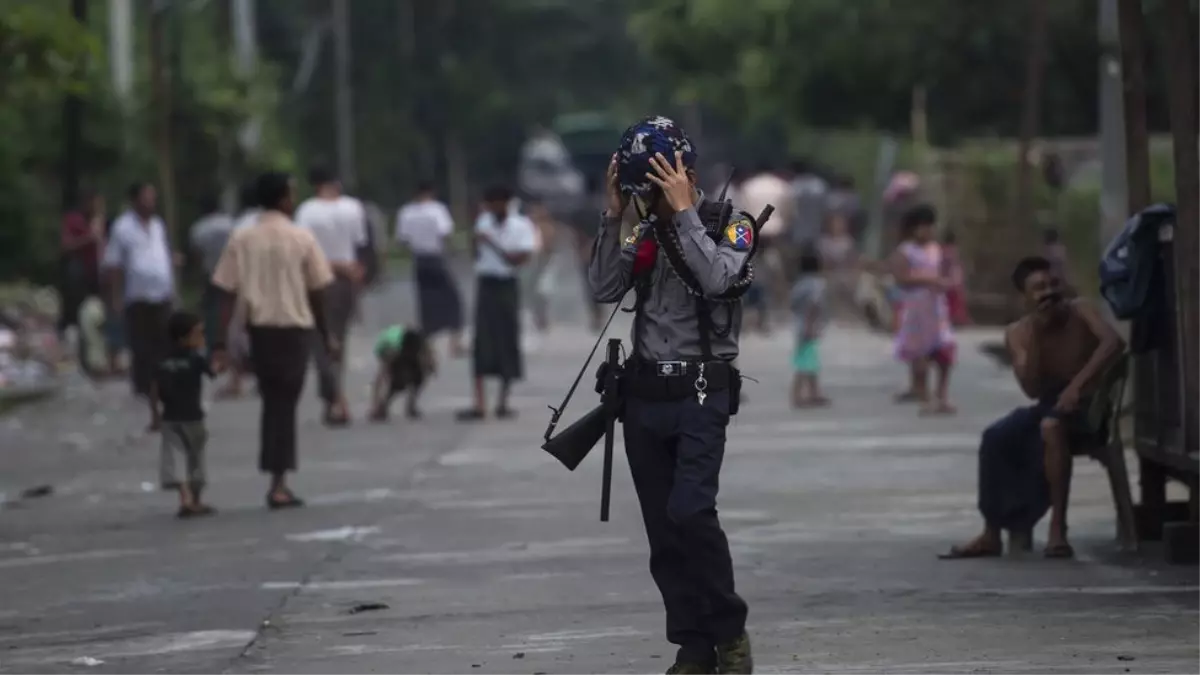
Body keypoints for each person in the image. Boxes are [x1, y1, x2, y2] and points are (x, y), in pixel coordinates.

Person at [588, 116, 754, 675]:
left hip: (702, 391)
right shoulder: (641, 232)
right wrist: (613, 216)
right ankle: (692, 644)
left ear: (685, 171)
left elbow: (719, 282)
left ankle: (729, 631)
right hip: (644, 396)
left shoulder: (733, 224)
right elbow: (604, 288)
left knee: (691, 512)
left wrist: (683, 213)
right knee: (663, 530)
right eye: (644, 189)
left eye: (657, 184)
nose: (650, 199)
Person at [941, 256, 1124, 560]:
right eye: (1039, 288)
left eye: (1053, 284)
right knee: (996, 437)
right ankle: (992, 532)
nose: (1049, 293)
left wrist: (1077, 386)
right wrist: (1039, 334)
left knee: (1051, 428)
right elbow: (1031, 389)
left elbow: (1113, 344)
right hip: (1049, 407)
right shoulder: (1019, 333)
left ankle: (1057, 530)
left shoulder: (1081, 310)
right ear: (1025, 297)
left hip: (1091, 408)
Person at [211, 171, 337, 510]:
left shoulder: (242, 239)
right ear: (282, 199)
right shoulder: (301, 238)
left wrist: (221, 341)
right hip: (294, 331)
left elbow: (224, 291)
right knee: (284, 405)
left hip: (260, 332)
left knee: (274, 403)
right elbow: (318, 292)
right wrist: (327, 336)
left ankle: (277, 475)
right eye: (292, 194)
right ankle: (278, 481)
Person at [457, 185, 537, 421]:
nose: (493, 209)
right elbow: (475, 255)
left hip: (507, 285)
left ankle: (503, 400)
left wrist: (491, 242)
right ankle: (479, 402)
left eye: (497, 204)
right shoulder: (483, 222)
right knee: (482, 340)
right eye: (490, 205)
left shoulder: (520, 226)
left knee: (507, 338)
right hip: (486, 284)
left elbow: (518, 260)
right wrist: (476, 239)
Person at [294, 166, 366, 426]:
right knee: (339, 341)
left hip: (316, 280)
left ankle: (334, 399)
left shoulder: (306, 211)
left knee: (320, 340)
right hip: (346, 281)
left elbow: (302, 249)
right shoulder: (353, 208)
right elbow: (359, 244)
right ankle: (336, 398)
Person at [103, 182, 176, 398]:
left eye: (153, 197)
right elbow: (114, 264)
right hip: (137, 295)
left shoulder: (157, 225)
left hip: (161, 292)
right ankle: (143, 386)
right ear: (135, 200)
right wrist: (115, 297)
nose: (151, 201)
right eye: (147, 197)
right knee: (141, 344)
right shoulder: (123, 227)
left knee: (163, 340)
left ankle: (161, 383)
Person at [148, 310, 222, 518]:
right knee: (195, 460)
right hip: (193, 419)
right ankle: (192, 500)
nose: (202, 339)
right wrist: (219, 360)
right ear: (183, 338)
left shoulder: (162, 360)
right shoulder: (196, 359)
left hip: (171, 418)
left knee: (176, 460)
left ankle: (187, 499)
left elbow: (154, 389)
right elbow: (214, 372)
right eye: (198, 334)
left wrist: (154, 415)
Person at [890, 204, 956, 415]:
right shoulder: (905, 251)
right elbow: (901, 278)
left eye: (929, 227)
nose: (926, 232)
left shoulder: (936, 249)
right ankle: (924, 397)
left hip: (937, 307)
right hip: (916, 309)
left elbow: (947, 273)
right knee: (921, 355)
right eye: (922, 227)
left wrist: (946, 281)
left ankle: (942, 395)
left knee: (945, 350)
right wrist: (927, 279)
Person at [395, 181, 464, 356]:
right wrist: (454, 251)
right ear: (431, 192)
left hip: (419, 260)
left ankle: (427, 345)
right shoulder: (437, 210)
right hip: (435, 258)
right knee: (453, 299)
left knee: (426, 303)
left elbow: (402, 240)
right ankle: (454, 343)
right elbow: (445, 233)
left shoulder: (406, 212)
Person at [188, 194, 236, 353]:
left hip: (210, 275)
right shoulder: (230, 223)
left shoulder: (198, 229)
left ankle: (214, 347)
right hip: (232, 274)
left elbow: (196, 257)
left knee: (211, 313)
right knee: (232, 311)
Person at [59, 191, 106, 336]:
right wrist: (88, 238)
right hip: (80, 270)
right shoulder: (73, 220)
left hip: (98, 271)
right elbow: (66, 246)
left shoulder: (101, 221)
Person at [367, 325, 435, 421]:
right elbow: (380, 378)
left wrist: (430, 366)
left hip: (405, 342)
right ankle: (382, 407)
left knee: (417, 376)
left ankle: (409, 407)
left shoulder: (416, 342)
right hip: (395, 347)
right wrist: (374, 406)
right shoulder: (389, 349)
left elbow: (428, 356)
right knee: (399, 381)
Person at [790, 246, 829, 408]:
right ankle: (797, 395)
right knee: (804, 363)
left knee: (810, 361)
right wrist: (811, 324)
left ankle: (814, 392)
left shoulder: (799, 284)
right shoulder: (817, 284)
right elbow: (814, 304)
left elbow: (792, 304)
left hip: (799, 325)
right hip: (809, 325)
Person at [941, 231, 970, 326]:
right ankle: (956, 319)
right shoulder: (951, 251)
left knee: (953, 300)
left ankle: (956, 319)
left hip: (950, 278)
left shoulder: (944, 250)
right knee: (953, 299)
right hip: (953, 278)